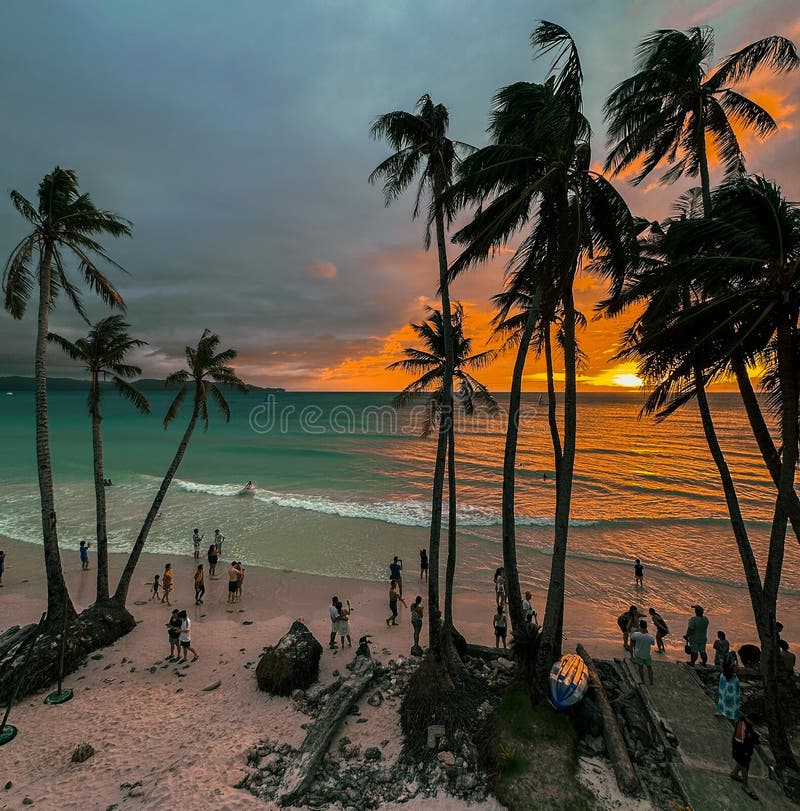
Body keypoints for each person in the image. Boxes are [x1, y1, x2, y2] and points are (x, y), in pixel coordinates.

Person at [730, 715, 760, 801]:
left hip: (743, 749)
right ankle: (745, 785)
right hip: (740, 749)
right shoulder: (742, 725)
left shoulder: (746, 724)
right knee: (745, 766)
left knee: (742, 762)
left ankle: (734, 773)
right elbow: (741, 740)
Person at [630, 619, 655, 685]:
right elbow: (653, 643)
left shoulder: (636, 634)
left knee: (640, 668)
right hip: (647, 655)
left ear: (640, 626)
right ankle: (651, 682)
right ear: (646, 627)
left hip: (638, 654)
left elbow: (632, 638)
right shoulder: (650, 637)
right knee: (649, 668)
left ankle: (643, 682)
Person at [717, 655, 741, 721]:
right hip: (731, 683)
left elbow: (722, 664)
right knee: (732, 698)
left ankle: (724, 712)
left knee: (723, 697)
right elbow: (737, 670)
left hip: (726, 681)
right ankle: (731, 714)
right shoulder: (731, 669)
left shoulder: (724, 672)